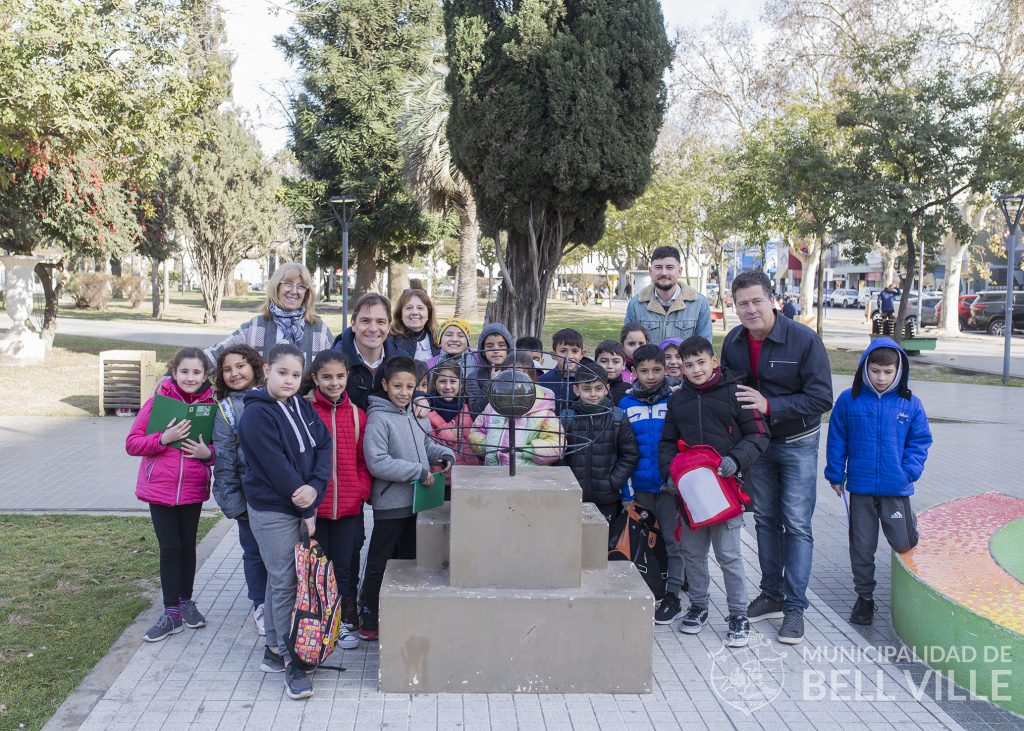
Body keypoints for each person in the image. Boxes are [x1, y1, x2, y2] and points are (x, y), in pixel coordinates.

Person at [719, 270, 834, 645]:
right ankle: (771, 594)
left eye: (756, 301)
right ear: (733, 307)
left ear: (773, 300)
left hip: (798, 442)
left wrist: (771, 405)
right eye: (742, 304)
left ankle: (796, 607)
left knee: (797, 523)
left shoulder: (804, 340)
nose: (750, 309)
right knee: (766, 520)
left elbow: (821, 399)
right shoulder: (733, 342)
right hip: (759, 446)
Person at [658, 336, 770, 648]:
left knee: (729, 555)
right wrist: (670, 474)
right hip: (691, 495)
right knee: (693, 554)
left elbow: (759, 434)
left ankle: (738, 614)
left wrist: (736, 460)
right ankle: (698, 606)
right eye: (688, 364)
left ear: (714, 361)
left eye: (701, 362)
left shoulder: (736, 393)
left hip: (727, 492)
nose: (695, 369)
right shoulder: (678, 400)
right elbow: (668, 442)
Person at [237, 343, 332, 700]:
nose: (289, 380)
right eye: (282, 372)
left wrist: (316, 487)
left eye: (295, 374)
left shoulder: (303, 407)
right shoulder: (256, 415)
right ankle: (291, 658)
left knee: (283, 578)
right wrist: (306, 504)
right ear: (266, 371)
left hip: (302, 501)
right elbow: (276, 466)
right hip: (274, 509)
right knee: (286, 581)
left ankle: (274, 650)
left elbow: (323, 446)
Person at [825, 339, 932, 626]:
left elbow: (920, 440)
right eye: (875, 371)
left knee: (903, 542)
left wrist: (909, 470)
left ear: (898, 371)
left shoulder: (910, 402)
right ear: (864, 369)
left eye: (887, 372)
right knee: (862, 546)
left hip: (895, 489)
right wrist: (835, 474)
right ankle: (865, 598)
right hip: (860, 489)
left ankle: (911, 585)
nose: (881, 378)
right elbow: (837, 439)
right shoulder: (849, 400)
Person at [360, 357, 455, 640]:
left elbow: (424, 443)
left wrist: (443, 453)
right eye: (398, 386)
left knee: (408, 560)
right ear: (386, 385)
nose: (404, 392)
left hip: (417, 501)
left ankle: (398, 612)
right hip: (391, 504)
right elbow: (377, 462)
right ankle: (369, 615)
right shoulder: (378, 418)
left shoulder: (412, 414)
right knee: (381, 560)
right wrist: (418, 470)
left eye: (410, 386)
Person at [126, 347, 216, 643]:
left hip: (192, 489)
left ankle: (187, 602)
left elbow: (221, 449)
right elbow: (133, 443)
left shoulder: (211, 406)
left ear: (206, 375)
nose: (190, 377)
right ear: (174, 373)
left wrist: (208, 454)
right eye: (184, 372)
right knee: (170, 548)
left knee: (188, 546)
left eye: (197, 372)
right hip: (160, 489)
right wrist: (164, 439)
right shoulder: (157, 403)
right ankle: (171, 612)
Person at [306, 350, 371, 643]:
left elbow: (362, 460)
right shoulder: (305, 412)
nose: (334, 383)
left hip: (348, 508)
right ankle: (320, 620)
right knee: (318, 566)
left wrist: (360, 490)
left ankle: (344, 622)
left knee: (344, 567)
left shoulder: (358, 416)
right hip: (315, 509)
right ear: (315, 378)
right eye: (327, 377)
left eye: (340, 377)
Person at [618, 344, 684, 623]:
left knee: (673, 540)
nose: (651, 375)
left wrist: (678, 480)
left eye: (657, 369)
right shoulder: (625, 403)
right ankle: (649, 587)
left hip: (669, 487)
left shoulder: (675, 400)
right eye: (644, 371)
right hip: (639, 487)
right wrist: (624, 489)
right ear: (633, 371)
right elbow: (620, 449)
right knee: (645, 542)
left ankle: (673, 594)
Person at [211, 344, 268, 637]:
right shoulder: (227, 410)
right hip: (248, 500)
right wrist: (234, 505)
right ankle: (260, 604)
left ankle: (282, 601)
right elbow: (223, 462)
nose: (234, 373)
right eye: (227, 369)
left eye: (240, 366)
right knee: (254, 553)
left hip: (280, 497)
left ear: (255, 366)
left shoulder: (274, 396)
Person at [205, 263, 332, 372]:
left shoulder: (320, 331)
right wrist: (189, 366)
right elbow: (215, 355)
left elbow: (337, 373)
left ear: (307, 293)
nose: (294, 291)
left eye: (301, 286)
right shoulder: (256, 327)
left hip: (304, 400)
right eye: (288, 284)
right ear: (276, 287)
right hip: (260, 400)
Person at [562, 358, 639, 524]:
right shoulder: (567, 417)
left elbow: (630, 454)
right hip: (574, 494)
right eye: (586, 389)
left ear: (607, 389)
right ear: (576, 390)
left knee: (603, 543)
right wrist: (567, 482)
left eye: (598, 388)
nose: (593, 394)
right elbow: (559, 455)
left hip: (607, 497)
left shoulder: (617, 417)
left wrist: (613, 482)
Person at [469, 352, 564, 467]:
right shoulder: (492, 407)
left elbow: (557, 444)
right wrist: (488, 446)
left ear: (532, 379)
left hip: (528, 477)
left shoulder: (542, 411)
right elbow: (475, 432)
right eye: (510, 373)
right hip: (493, 474)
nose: (515, 379)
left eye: (522, 374)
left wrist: (527, 451)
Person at [624, 246, 713, 343]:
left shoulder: (699, 304)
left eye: (670, 267)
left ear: (679, 271)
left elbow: (704, 348)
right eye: (658, 267)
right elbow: (628, 348)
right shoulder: (636, 305)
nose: (664, 273)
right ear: (650, 271)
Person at [332, 293, 401, 410]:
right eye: (365, 321)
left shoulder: (401, 362)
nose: (373, 329)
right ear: (353, 324)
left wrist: (419, 396)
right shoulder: (332, 362)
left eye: (381, 322)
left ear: (388, 327)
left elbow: (418, 387)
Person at [427, 358, 482, 479]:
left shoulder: (467, 407)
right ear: (435, 383)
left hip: (470, 475)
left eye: (453, 381)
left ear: (460, 384)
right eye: (442, 381)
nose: (448, 386)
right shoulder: (428, 409)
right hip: (443, 477)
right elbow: (427, 445)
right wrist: (448, 435)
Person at [465, 323, 513, 414]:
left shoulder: (517, 373)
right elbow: (475, 412)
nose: (496, 350)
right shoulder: (474, 377)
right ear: (483, 351)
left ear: (508, 348)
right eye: (490, 346)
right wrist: (491, 383)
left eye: (501, 345)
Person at [536, 327, 586, 415]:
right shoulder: (543, 382)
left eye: (575, 351)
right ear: (553, 355)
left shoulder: (588, 380)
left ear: (582, 354)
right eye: (563, 351)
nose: (569, 356)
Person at [389, 288, 439, 362]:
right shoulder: (389, 341)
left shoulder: (438, 339)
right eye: (409, 308)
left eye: (420, 308)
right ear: (400, 314)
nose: (415, 312)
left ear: (429, 313)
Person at [594, 339, 631, 405]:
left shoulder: (629, 390)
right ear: (596, 363)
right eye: (604, 361)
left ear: (624, 365)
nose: (610, 366)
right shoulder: (590, 388)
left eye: (616, 361)